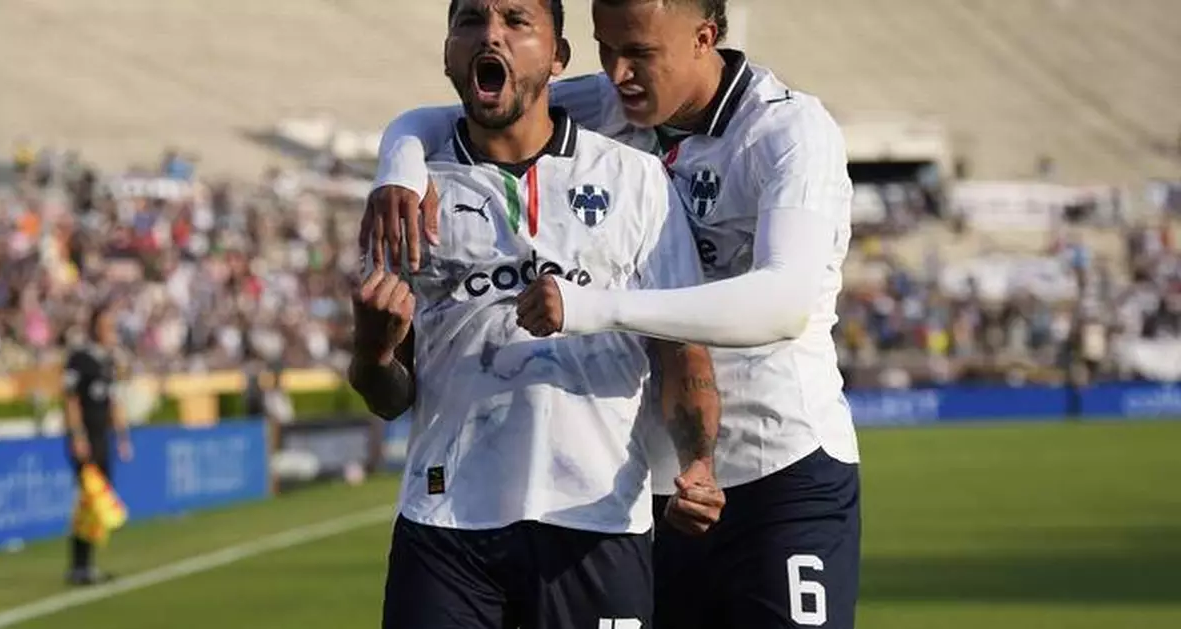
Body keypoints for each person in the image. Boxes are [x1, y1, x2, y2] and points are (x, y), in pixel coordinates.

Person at [364, 1, 861, 627]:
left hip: (778, 464)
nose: (618, 73)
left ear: (704, 38)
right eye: (606, 48)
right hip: (657, 484)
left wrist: (591, 307)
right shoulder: (616, 99)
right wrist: (399, 167)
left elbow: (782, 304)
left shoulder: (788, 132)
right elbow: (449, 113)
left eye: (639, 54)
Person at [63, 302, 133, 586]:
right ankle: (79, 564)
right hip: (86, 437)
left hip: (103, 437)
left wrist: (123, 437)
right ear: (95, 328)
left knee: (94, 503)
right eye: (107, 326)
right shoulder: (79, 359)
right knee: (88, 499)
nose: (111, 331)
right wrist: (77, 435)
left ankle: (86, 564)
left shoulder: (109, 361)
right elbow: (71, 400)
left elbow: (114, 401)